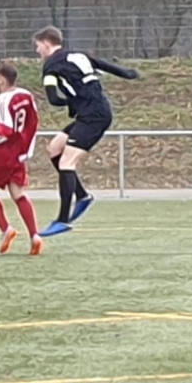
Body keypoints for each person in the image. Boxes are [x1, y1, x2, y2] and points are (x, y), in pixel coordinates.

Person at [34, 26, 139, 237]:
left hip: (93, 118)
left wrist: (71, 102)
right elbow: (103, 65)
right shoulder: (78, 55)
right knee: (55, 148)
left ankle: (62, 220)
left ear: (46, 44)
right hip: (93, 113)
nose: (37, 51)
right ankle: (82, 196)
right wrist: (128, 74)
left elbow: (53, 99)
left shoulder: (51, 66)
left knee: (66, 162)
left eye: (38, 46)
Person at [0, 61, 43, 255]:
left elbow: (5, 131)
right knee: (18, 193)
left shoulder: (3, 100)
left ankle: (6, 229)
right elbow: (34, 123)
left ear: (2, 80)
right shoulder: (26, 95)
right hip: (18, 154)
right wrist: (28, 150)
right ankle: (35, 235)